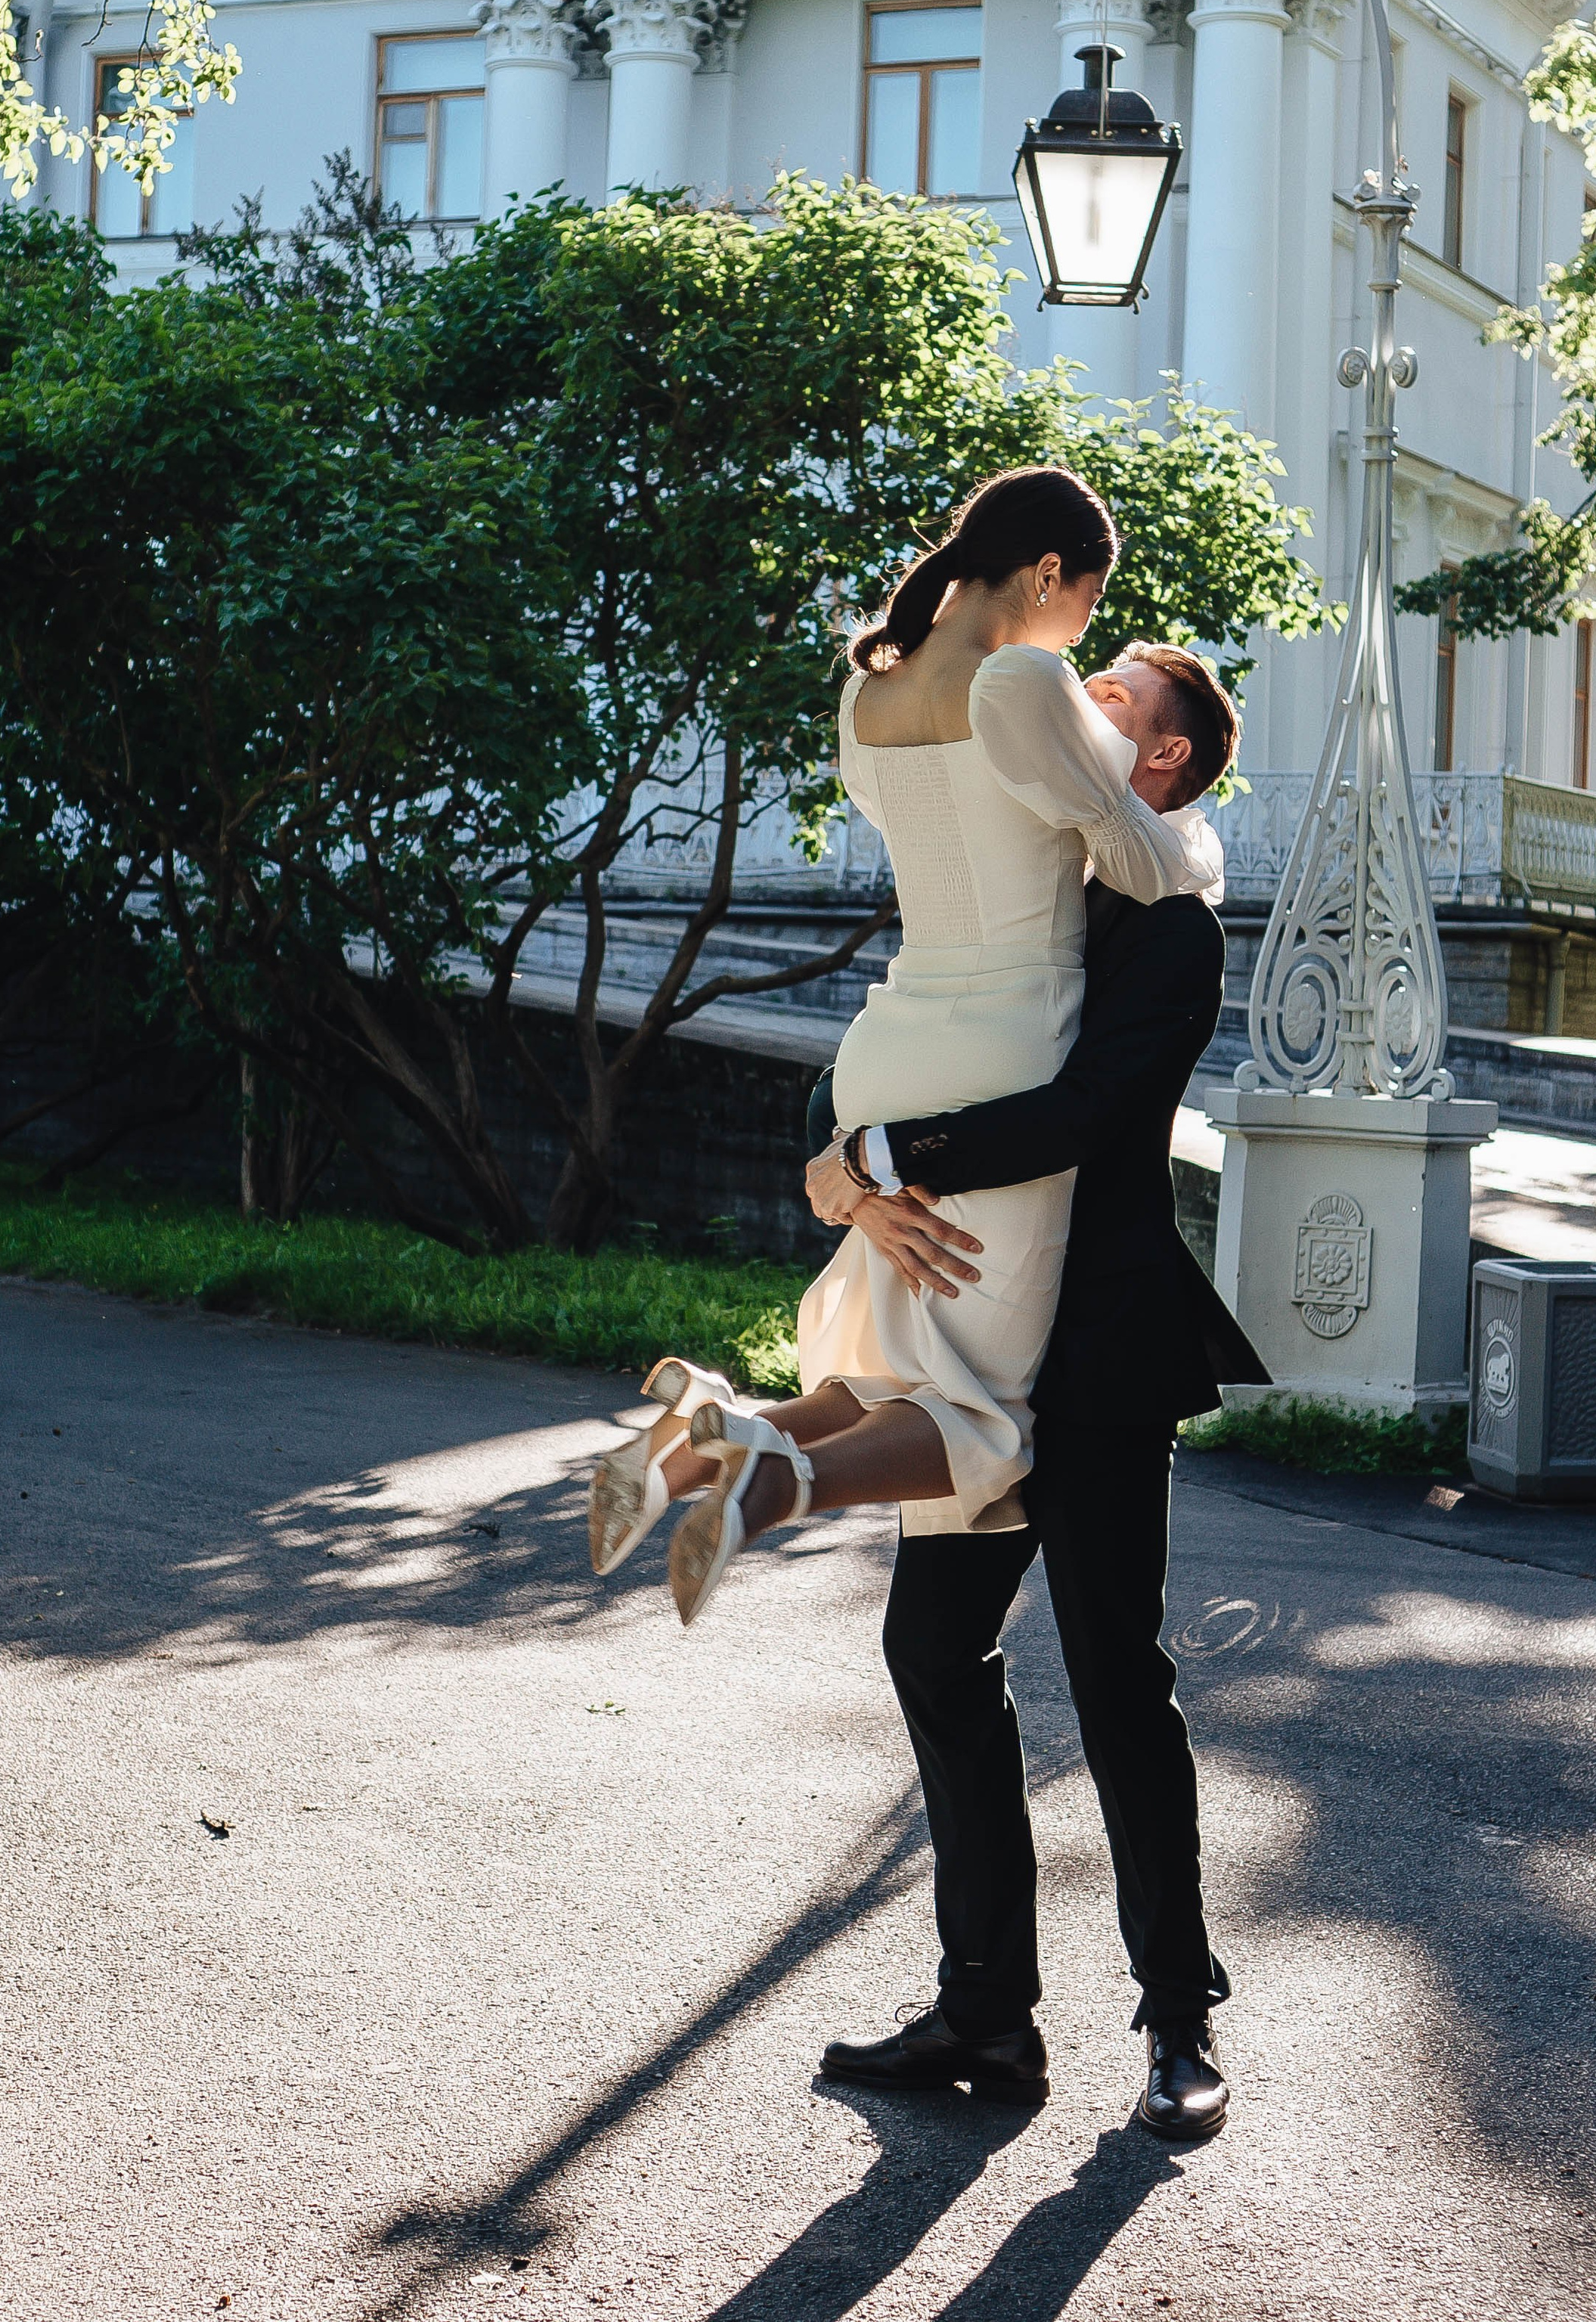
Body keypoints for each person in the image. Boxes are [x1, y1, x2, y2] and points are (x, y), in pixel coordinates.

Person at [585, 467, 1224, 1634]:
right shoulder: (1027, 681)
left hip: (893, 1034)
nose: (1084, 637)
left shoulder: (864, 692)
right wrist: (1171, 839)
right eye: (1088, 600)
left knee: (898, 1368)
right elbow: (1137, 865)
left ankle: (696, 1447)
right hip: (1002, 1045)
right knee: (978, 1410)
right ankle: (778, 1480)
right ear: (1045, 576)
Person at [804, 642, 1272, 2138]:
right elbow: (921, 1033)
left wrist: (895, 1157)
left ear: (1160, 764)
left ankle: (1178, 2025)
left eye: (1121, 697)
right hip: (963, 1341)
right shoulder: (1018, 886)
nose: (1089, 695)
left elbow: (1078, 1115)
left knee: (1115, 1680)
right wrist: (843, 1168)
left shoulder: (1173, 930)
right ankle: (984, 2018)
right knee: (934, 1651)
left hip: (1099, 1353)